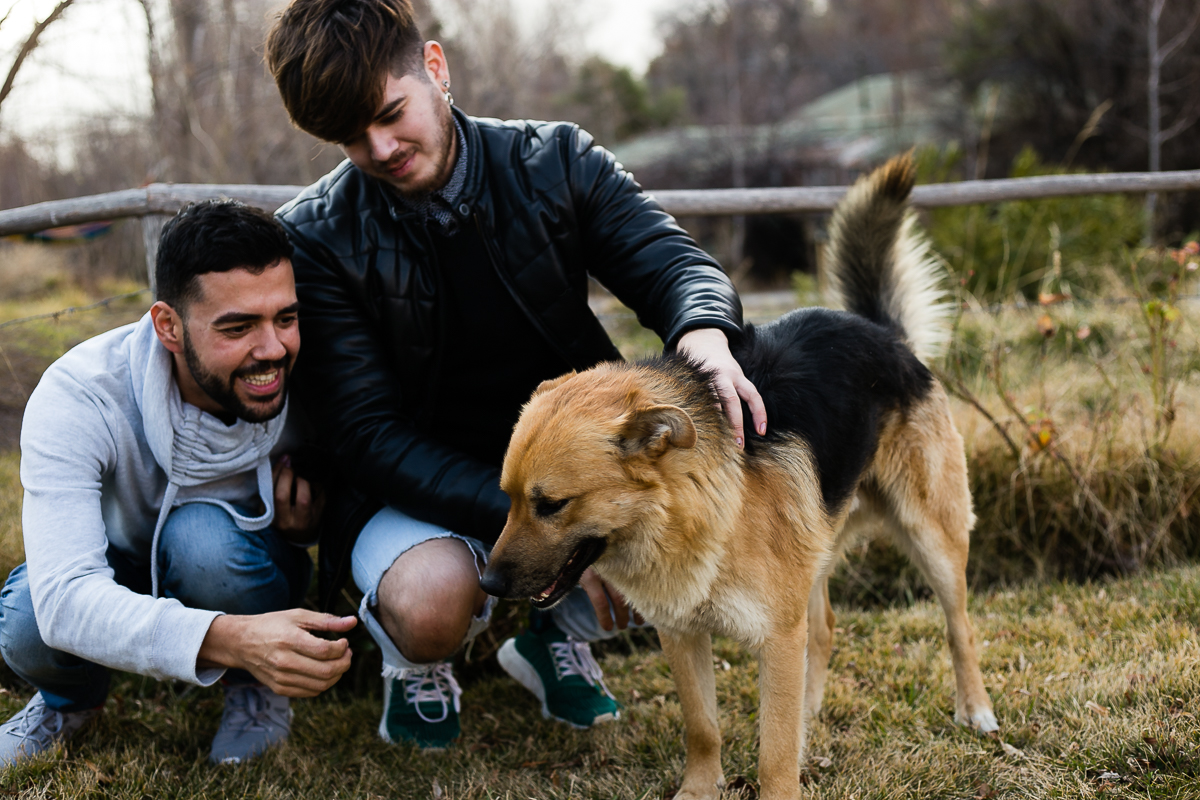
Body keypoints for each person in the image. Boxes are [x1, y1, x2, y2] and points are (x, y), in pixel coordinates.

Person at [264, 0, 766, 750]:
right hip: (407, 490)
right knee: (432, 603)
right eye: (351, 137)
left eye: (391, 114)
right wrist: (534, 524)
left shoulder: (555, 159)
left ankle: (552, 640)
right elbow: (369, 438)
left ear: (435, 67)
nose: (381, 148)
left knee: (654, 522)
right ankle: (412, 661)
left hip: (563, 465)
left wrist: (705, 332)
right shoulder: (313, 237)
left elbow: (672, 262)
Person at [0, 200, 357, 767]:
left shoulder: (317, 372)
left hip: (245, 565)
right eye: (237, 327)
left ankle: (253, 689)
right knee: (28, 617)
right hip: (120, 566)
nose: (272, 349)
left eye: (285, 318)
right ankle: (69, 702)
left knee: (202, 543)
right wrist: (233, 638)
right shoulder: (81, 393)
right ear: (168, 325)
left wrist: (312, 525)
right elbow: (65, 599)